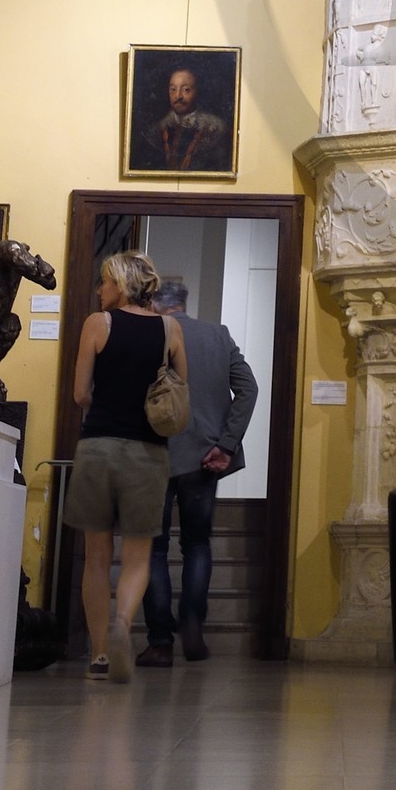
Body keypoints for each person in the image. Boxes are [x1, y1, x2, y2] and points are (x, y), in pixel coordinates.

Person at [68, 251, 188, 681]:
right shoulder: (170, 329)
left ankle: (99, 652)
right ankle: (123, 624)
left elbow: (81, 392)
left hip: (98, 446)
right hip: (148, 452)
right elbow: (179, 391)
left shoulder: (97, 324)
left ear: (119, 285)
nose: (99, 290)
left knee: (97, 557)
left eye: (104, 282)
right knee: (138, 555)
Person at [137, 275, 259, 666]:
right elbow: (249, 388)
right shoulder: (217, 336)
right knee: (198, 544)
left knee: (153, 548)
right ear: (184, 302)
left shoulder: (147, 334)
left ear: (154, 302)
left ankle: (159, 641)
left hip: (153, 453)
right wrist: (226, 443)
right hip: (205, 456)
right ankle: (192, 623)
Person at [147, 65, 230, 172]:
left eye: (186, 89)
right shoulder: (158, 129)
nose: (178, 96)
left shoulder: (216, 128)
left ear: (197, 91)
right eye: (173, 89)